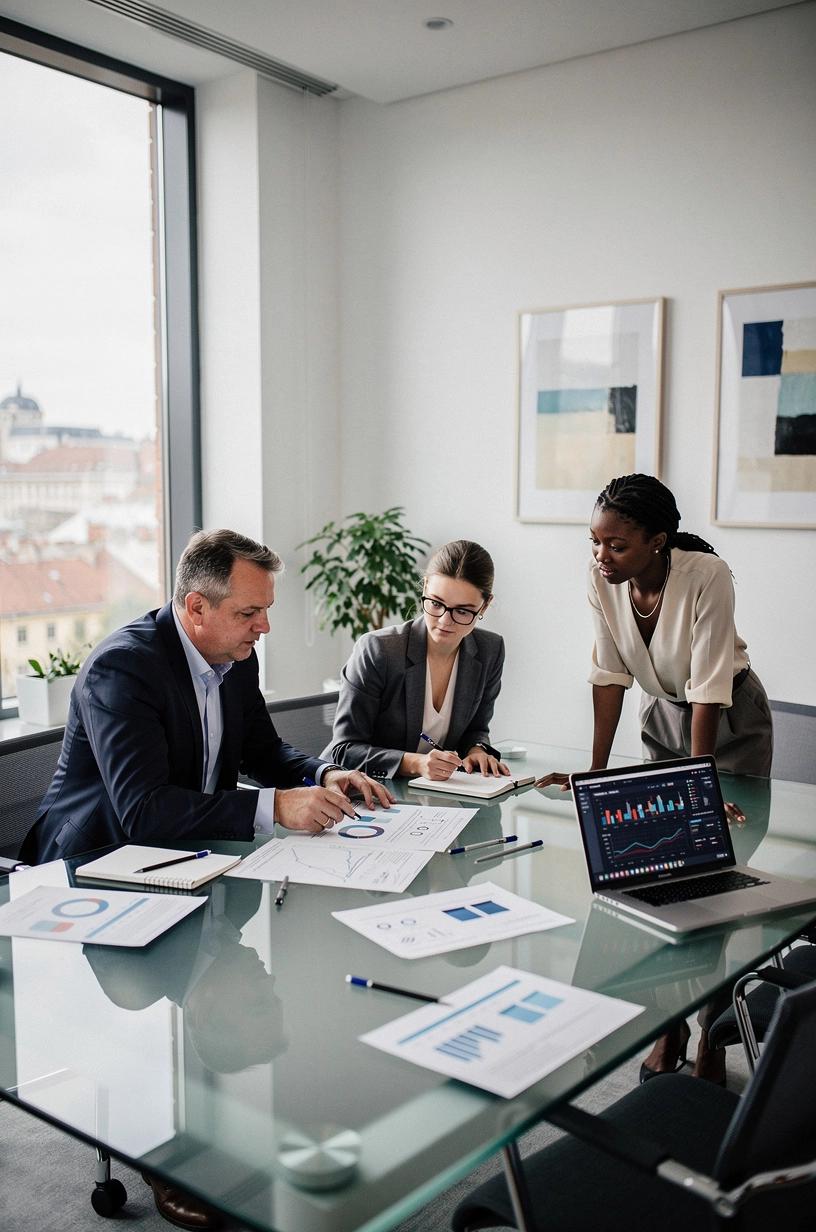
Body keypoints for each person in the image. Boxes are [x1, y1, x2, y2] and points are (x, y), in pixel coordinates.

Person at [538, 473, 773, 1086]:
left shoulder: (705, 575)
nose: (601, 556)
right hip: (663, 721)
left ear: (658, 541)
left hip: (729, 721)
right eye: (595, 543)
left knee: (719, 894)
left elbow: (709, 685)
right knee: (658, 885)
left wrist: (700, 788)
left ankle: (712, 1044)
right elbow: (610, 675)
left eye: (616, 545)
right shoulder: (602, 582)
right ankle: (669, 1032)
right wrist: (594, 772)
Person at [22, 529, 393, 865]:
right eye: (249, 612)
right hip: (95, 863)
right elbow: (144, 809)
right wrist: (276, 805)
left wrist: (324, 773)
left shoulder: (236, 655)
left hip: (193, 854)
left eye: (265, 610)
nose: (264, 626)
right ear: (197, 607)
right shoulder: (123, 668)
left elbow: (262, 751)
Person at [324, 539, 509, 781]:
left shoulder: (489, 650)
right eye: (435, 603)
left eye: (462, 611)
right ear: (424, 589)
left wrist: (477, 749)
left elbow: (476, 729)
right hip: (368, 791)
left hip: (437, 796)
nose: (444, 621)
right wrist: (415, 763)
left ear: (484, 606)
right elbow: (343, 750)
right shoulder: (379, 650)